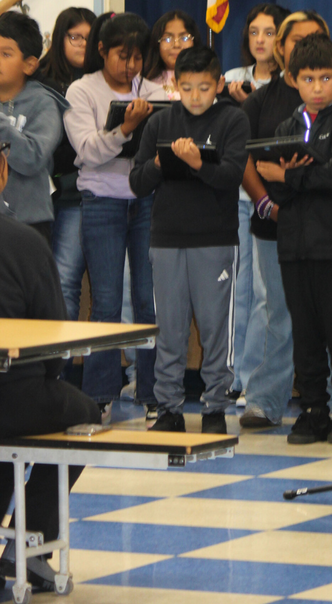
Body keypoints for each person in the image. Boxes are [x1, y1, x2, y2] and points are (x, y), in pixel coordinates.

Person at [130, 46, 250, 434]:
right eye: (187, 88)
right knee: (170, 327)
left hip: (214, 239)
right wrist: (163, 163)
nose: (195, 96)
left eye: (203, 87)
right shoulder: (160, 124)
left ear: (218, 84)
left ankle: (215, 407)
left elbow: (232, 175)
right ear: (174, 87)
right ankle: (169, 408)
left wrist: (198, 162)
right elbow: (137, 181)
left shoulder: (233, 118)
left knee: (215, 327)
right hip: (165, 238)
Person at [0, 152, 100, 592]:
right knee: (85, 414)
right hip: (15, 394)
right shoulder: (23, 242)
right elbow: (54, 340)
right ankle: (28, 544)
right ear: (3, 173)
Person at [64, 12, 163, 421]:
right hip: (102, 201)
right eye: (123, 56)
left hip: (148, 201)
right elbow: (86, 151)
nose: (131, 66)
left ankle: (155, 395)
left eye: (138, 57)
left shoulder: (156, 91)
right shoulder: (81, 91)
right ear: (101, 51)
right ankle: (99, 396)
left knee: (148, 300)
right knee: (105, 301)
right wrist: (125, 129)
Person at [238, 10, 330, 428]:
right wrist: (264, 202)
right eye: (296, 41)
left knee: (324, 313)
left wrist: (295, 174)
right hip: (272, 223)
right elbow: (245, 159)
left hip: (327, 226)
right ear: (281, 48)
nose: (305, 49)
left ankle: (328, 400)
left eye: (315, 39)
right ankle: (265, 399)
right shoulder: (262, 99)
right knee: (278, 311)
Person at [270, 33, 332, 444]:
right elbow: (277, 189)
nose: (318, 88)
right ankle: (313, 408)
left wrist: (291, 174)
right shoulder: (288, 125)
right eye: (308, 79)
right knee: (304, 333)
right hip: (293, 247)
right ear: (292, 79)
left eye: (326, 78)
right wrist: (290, 178)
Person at [222, 2, 289, 405]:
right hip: (239, 195)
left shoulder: (290, 83)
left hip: (272, 199)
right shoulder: (231, 78)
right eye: (254, 32)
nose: (261, 40)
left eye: (269, 32)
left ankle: (259, 379)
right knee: (240, 289)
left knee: (267, 293)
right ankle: (238, 375)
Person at [34, 7, 96, 319]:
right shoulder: (37, 80)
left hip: (78, 196)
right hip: (37, 197)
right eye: (75, 37)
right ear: (60, 39)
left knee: (66, 279)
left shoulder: (101, 82)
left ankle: (61, 365)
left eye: (88, 37)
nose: (82, 44)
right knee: (35, 283)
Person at [0, 11, 66, 245]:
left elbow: (33, 157)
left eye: (6, 54)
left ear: (29, 65)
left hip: (29, 224)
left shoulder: (44, 103)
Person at [142, 9, 203, 99]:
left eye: (184, 38)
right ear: (156, 44)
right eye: (167, 39)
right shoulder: (143, 83)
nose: (177, 45)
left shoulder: (207, 78)